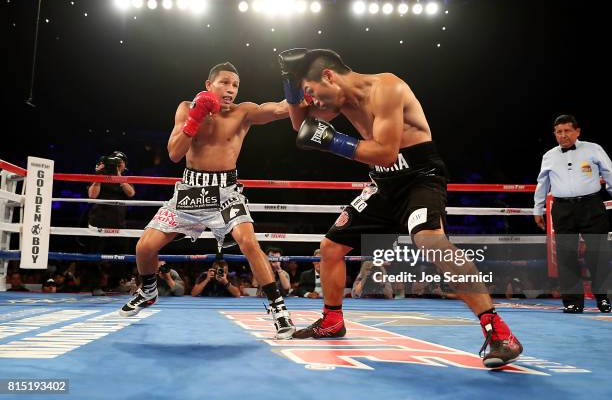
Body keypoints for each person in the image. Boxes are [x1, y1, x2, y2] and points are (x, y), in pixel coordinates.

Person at [278, 48, 522, 367]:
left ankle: (498, 332)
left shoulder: (387, 88)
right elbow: (302, 126)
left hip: (420, 177)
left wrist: (333, 141)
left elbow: (386, 153)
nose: (314, 102)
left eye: (311, 92)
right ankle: (332, 320)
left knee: (430, 242)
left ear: (329, 76)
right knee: (330, 247)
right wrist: (290, 84)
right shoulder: (338, 98)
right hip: (383, 183)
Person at [119, 62, 296, 338]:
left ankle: (278, 308)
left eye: (235, 85)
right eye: (225, 82)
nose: (231, 89)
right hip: (190, 191)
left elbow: (281, 109)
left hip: (226, 192)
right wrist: (195, 118)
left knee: (249, 241)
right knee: (144, 247)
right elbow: (174, 154)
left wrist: (298, 87)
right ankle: (148, 289)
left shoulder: (243, 112)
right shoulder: (187, 107)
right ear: (208, 85)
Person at [534, 114, 612, 313]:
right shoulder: (549, 155)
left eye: (567, 131)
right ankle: (572, 302)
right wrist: (538, 209)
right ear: (554, 134)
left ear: (577, 131)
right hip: (562, 209)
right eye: (559, 132)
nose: (563, 135)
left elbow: (610, 173)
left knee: (598, 254)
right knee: (565, 255)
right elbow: (542, 183)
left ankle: (603, 299)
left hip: (591, 206)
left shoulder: (593, 149)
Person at [86, 151, 135, 295]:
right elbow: (92, 195)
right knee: (94, 255)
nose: (117, 163)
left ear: (124, 165)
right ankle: (95, 286)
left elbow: (131, 193)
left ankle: (115, 284)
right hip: (98, 221)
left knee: (121, 254)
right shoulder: (101, 175)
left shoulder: (124, 177)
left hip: (118, 223)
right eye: (114, 161)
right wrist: (99, 176)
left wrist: (118, 176)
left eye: (120, 161)